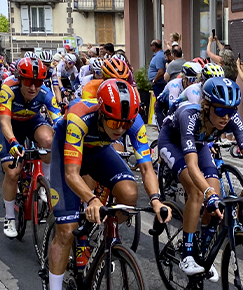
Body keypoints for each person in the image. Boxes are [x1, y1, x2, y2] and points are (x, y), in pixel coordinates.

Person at [47, 79, 171, 290]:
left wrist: (156, 200)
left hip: (99, 153)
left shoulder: (134, 121)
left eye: (126, 124)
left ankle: (105, 241)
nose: (121, 130)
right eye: (114, 123)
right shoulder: (80, 117)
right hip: (68, 154)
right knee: (67, 231)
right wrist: (92, 199)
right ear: (102, 113)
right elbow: (71, 174)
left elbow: (147, 168)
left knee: (129, 193)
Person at [158, 77, 243, 279]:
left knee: (216, 202)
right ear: (206, 106)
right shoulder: (191, 116)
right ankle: (187, 254)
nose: (226, 117)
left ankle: (202, 253)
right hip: (172, 143)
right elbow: (191, 165)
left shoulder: (231, 118)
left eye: (231, 110)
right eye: (221, 110)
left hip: (199, 145)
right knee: (198, 193)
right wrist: (208, 193)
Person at [0, 58, 61, 238]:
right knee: (12, 173)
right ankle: (9, 217)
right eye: (28, 82)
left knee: (50, 141)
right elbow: (5, 121)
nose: (33, 88)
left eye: (38, 82)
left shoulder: (46, 93)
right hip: (12, 126)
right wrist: (12, 142)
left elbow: (58, 120)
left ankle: (44, 182)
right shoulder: (8, 88)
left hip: (33, 122)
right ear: (19, 79)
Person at [155, 62, 202, 128]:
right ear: (184, 78)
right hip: (163, 107)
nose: (194, 83)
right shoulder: (174, 85)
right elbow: (172, 107)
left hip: (178, 107)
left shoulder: (195, 88)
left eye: (197, 80)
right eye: (192, 80)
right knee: (166, 130)